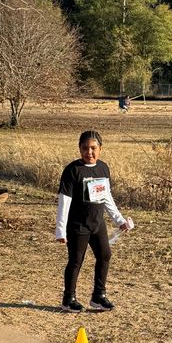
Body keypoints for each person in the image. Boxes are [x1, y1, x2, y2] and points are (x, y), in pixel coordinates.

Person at [55, 130, 132, 312]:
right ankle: (68, 299)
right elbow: (64, 201)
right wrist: (61, 229)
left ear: (100, 149)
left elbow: (107, 197)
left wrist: (119, 219)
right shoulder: (72, 171)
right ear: (79, 149)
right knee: (76, 261)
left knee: (105, 256)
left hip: (97, 224)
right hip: (77, 226)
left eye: (93, 148)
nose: (89, 152)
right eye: (85, 148)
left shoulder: (103, 168)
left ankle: (98, 296)